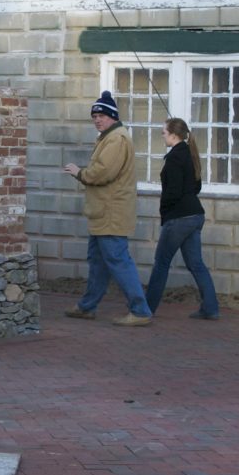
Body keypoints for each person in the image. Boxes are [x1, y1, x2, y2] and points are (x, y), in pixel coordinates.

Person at [62, 90, 152, 325]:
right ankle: (87, 306)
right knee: (99, 262)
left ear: (112, 116)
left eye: (101, 115)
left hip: (111, 213)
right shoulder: (109, 137)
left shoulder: (116, 139)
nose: (97, 119)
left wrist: (79, 173)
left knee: (119, 261)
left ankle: (140, 310)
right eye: (94, 116)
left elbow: (102, 172)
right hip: (103, 213)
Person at [145, 117, 219, 319]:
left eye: (164, 132)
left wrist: (165, 212)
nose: (162, 135)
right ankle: (211, 308)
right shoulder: (189, 154)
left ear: (174, 135)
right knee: (196, 264)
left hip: (179, 218)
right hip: (196, 215)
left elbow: (174, 192)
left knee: (161, 263)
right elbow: (196, 187)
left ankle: (145, 309)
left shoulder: (175, 157)